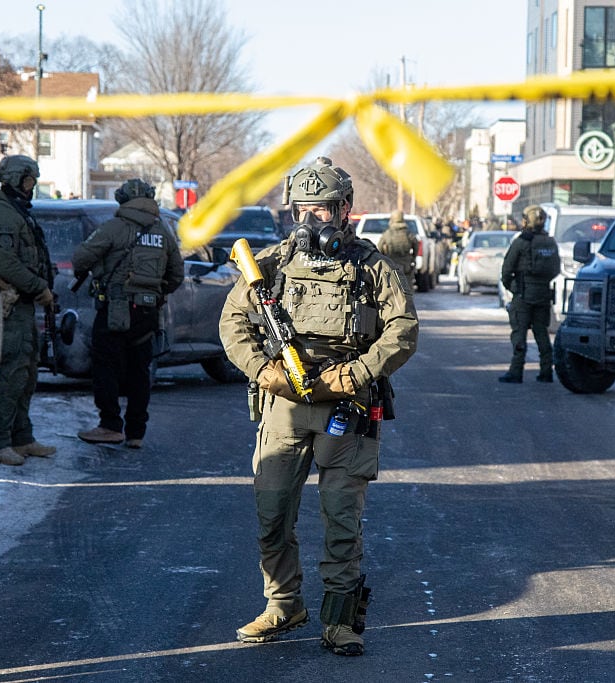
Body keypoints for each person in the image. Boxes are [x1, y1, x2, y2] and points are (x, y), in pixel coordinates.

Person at [219, 156, 418, 656]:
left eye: (323, 209)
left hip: (346, 407)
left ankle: (340, 620)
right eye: (303, 209)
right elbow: (233, 323)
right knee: (272, 512)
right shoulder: (270, 266)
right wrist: (266, 372)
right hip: (284, 403)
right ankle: (283, 603)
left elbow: (403, 330)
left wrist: (357, 373)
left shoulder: (374, 267)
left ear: (345, 209)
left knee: (340, 518)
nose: (312, 220)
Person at [72, 179, 184, 448]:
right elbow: (176, 275)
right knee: (139, 370)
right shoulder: (163, 232)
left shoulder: (113, 227)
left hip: (114, 308)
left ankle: (110, 425)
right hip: (147, 311)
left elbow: (80, 259)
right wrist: (155, 292)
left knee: (106, 366)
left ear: (122, 200)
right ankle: (136, 433)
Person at [0, 154, 57, 466]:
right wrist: (40, 287)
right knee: (13, 373)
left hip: (23, 304)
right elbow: (6, 263)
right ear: (17, 179)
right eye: (29, 180)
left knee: (27, 372)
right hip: (11, 304)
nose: (32, 186)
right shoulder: (1, 214)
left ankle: (22, 438)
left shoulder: (16, 211)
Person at [499, 204, 560, 384]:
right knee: (542, 333)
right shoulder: (550, 242)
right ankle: (546, 371)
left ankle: (516, 371)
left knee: (519, 334)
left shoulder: (521, 242)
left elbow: (506, 269)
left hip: (524, 294)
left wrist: (514, 288)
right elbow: (555, 269)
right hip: (543, 294)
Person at [377, 209, 418, 288]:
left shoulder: (387, 234)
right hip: (406, 265)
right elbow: (415, 245)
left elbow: (379, 248)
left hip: (391, 264)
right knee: (407, 288)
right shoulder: (408, 233)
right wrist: (413, 257)